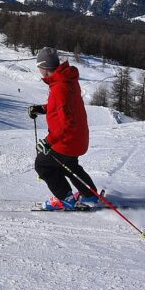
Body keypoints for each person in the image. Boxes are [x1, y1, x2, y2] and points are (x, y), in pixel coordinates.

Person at [27, 47, 99, 210]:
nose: (38, 70)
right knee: (69, 166)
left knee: (43, 165)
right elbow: (64, 108)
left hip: (67, 141)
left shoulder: (60, 87)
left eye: (39, 67)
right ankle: (90, 195)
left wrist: (48, 142)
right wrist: (43, 109)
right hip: (77, 139)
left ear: (44, 68)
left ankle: (65, 198)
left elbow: (67, 122)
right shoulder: (66, 80)